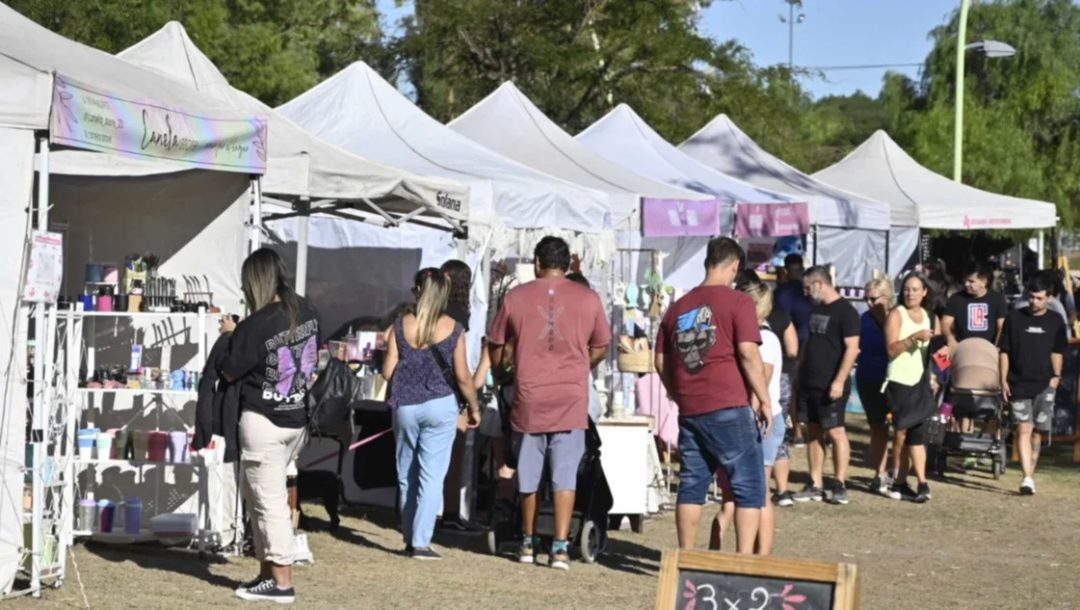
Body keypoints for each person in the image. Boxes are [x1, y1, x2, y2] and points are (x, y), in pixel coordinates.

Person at [488, 237, 611, 571]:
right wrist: (582, 364)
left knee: (528, 475)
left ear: (537, 263)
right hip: (570, 398)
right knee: (565, 476)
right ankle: (559, 548)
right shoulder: (589, 298)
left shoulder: (515, 297)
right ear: (570, 264)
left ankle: (527, 542)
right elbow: (602, 343)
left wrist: (501, 371)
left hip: (529, 395)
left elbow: (496, 342)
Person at [654, 237, 771, 554]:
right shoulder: (738, 302)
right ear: (735, 266)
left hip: (691, 409)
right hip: (729, 404)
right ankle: (744, 560)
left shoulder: (678, 307)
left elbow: (660, 361)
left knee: (692, 485)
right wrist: (765, 399)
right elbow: (748, 353)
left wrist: (679, 393)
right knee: (748, 487)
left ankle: (686, 556)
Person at [224, 249, 321, 604]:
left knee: (269, 503)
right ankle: (267, 573)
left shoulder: (257, 323)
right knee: (265, 500)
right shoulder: (307, 310)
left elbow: (231, 368)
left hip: (263, 419)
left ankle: (282, 580)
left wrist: (231, 334)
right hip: (296, 416)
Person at [381, 268, 480, 560]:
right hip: (441, 404)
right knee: (432, 475)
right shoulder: (455, 328)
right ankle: (421, 541)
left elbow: (388, 371)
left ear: (416, 291)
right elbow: (463, 375)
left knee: (406, 473)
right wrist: (473, 407)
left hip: (405, 406)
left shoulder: (400, 326)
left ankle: (411, 535)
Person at [707, 279, 784, 555]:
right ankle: (718, 554)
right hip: (744, 420)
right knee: (734, 497)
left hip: (762, 421)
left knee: (759, 494)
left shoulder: (766, 339)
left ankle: (759, 558)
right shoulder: (746, 337)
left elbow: (759, 384)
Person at [793, 266, 859, 506]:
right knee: (813, 432)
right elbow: (809, 343)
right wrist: (799, 372)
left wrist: (839, 380)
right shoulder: (816, 310)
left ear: (820, 284)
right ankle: (815, 483)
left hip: (832, 384)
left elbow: (852, 348)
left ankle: (839, 483)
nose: (806, 292)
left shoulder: (846, 312)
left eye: (808, 287)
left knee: (836, 431)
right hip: (810, 381)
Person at [1000, 273, 1066, 496]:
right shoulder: (1014, 318)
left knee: (1038, 430)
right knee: (1023, 428)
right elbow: (1004, 352)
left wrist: (1056, 376)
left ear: (1049, 298)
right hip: (1018, 382)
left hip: (1045, 383)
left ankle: (1031, 473)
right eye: (1031, 297)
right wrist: (1003, 379)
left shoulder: (1056, 321)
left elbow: (1057, 351)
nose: (1034, 302)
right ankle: (1026, 477)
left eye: (1039, 298)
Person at [883, 274, 936, 503]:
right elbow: (891, 350)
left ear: (924, 292)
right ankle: (898, 480)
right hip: (899, 382)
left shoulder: (927, 316)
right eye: (906, 289)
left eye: (915, 289)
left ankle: (922, 483)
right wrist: (914, 337)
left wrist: (939, 363)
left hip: (920, 382)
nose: (910, 293)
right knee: (902, 433)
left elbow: (932, 351)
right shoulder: (897, 315)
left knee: (918, 434)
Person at [438, 259, 473, 531]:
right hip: (452, 391)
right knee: (454, 455)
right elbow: (461, 363)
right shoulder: (461, 315)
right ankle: (450, 512)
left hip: (425, 389)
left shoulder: (430, 310)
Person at [857, 278, 895, 496]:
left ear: (887, 297)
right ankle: (879, 473)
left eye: (873, 299)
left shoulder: (897, 317)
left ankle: (897, 472)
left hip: (894, 379)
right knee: (878, 427)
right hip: (868, 377)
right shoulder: (863, 319)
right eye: (866, 299)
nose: (869, 304)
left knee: (900, 430)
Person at [773, 254, 813, 447]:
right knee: (799, 388)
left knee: (796, 388)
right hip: (803, 344)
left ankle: (798, 431)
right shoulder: (806, 291)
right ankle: (801, 430)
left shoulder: (784, 293)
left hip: (795, 345)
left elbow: (782, 320)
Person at [942, 261, 1007, 350]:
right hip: (963, 350)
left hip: (988, 350)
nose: (966, 284)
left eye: (971, 281)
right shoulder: (956, 299)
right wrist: (950, 338)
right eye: (965, 280)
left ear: (983, 282)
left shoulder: (997, 300)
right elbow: (945, 323)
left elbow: (1001, 327)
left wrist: (997, 347)